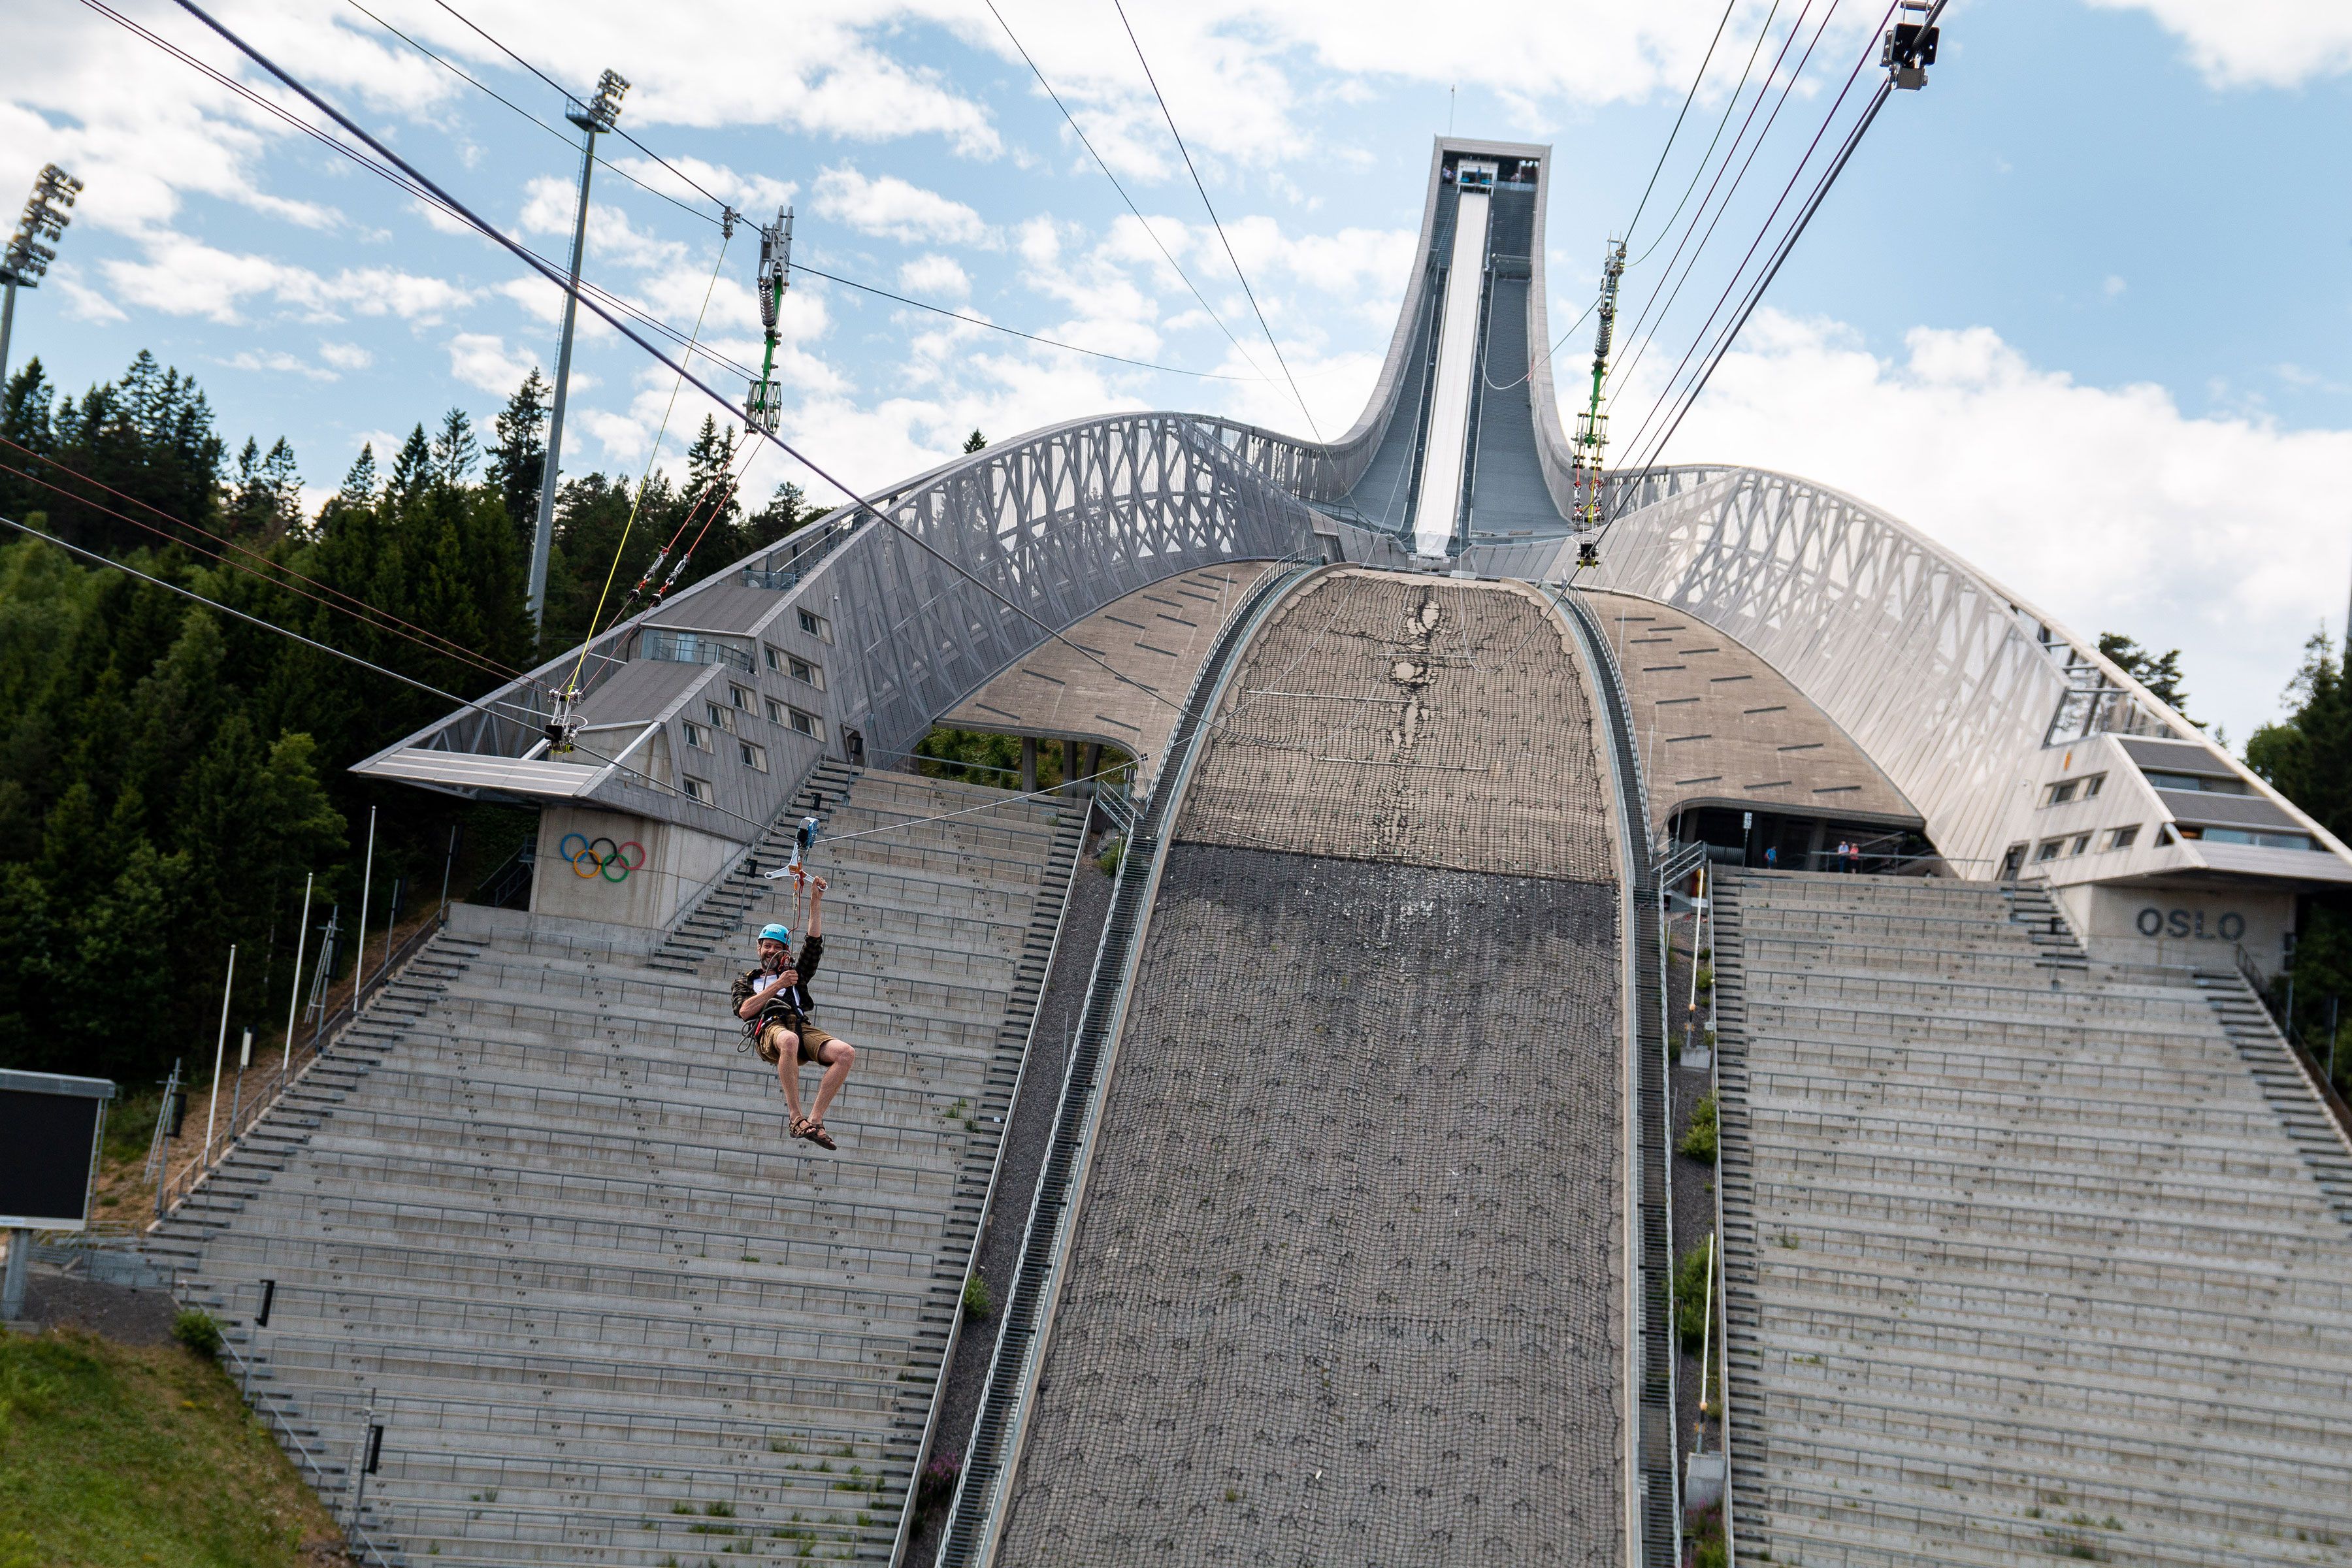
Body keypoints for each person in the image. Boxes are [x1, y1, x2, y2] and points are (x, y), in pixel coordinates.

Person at [730, 877, 856, 1150]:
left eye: (777, 947)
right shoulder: (748, 981)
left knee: (845, 1053)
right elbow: (745, 1011)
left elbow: (813, 944)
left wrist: (815, 900)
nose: (771, 951)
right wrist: (778, 984)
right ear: (759, 948)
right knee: (788, 1041)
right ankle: (795, 1117)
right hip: (770, 1029)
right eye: (767, 946)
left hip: (799, 1026)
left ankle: (816, 1120)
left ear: (785, 951)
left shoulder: (796, 975)